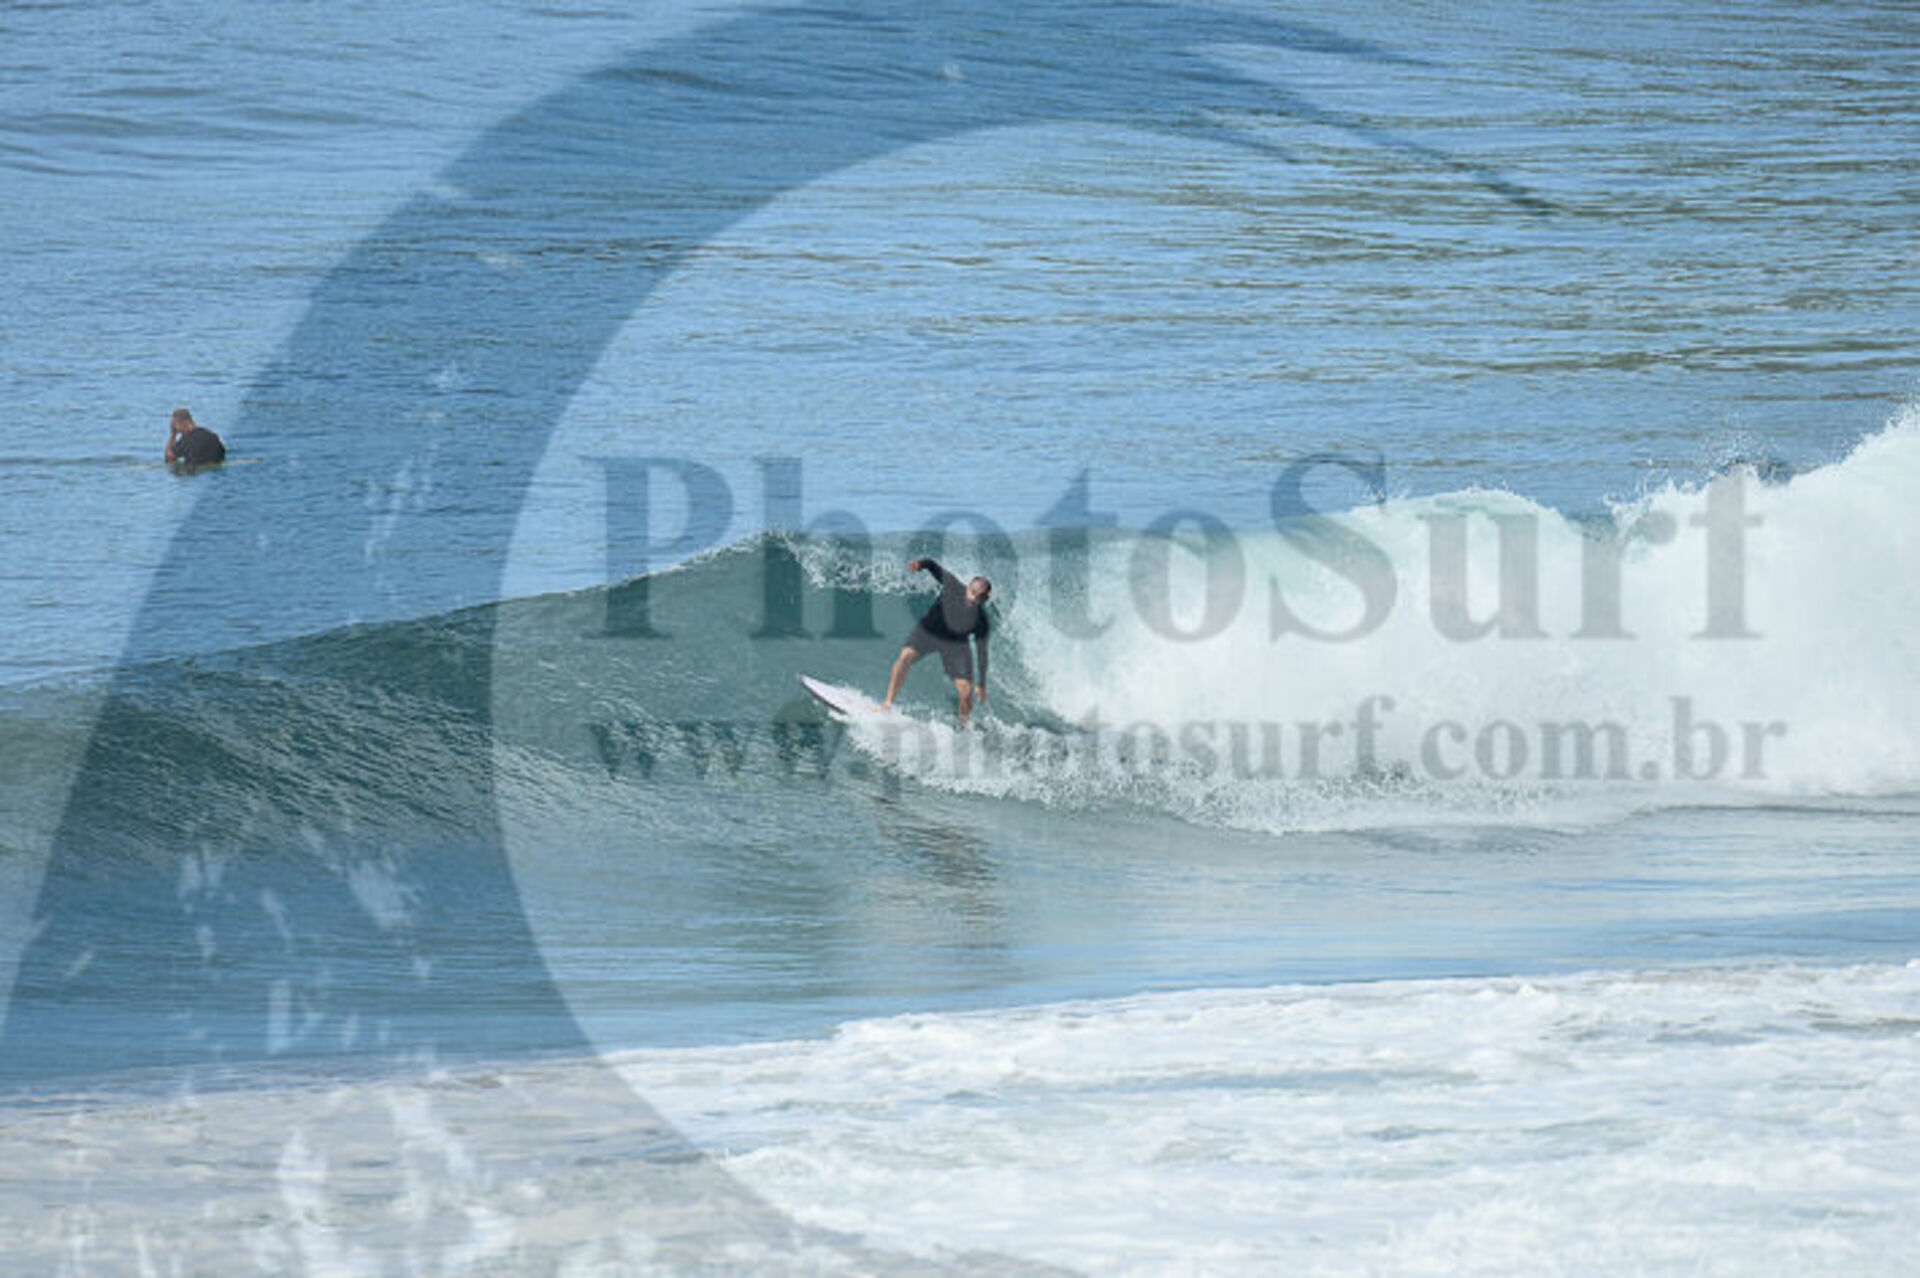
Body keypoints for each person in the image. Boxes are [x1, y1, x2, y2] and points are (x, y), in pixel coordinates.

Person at [883, 558, 993, 724]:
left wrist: (982, 683)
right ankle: (887, 703)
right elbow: (932, 565)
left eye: (979, 597)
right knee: (905, 657)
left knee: (966, 691)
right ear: (968, 587)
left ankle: (963, 729)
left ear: (984, 599)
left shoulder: (981, 620)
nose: (973, 599)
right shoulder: (954, 586)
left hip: (955, 645)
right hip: (929, 632)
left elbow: (982, 652)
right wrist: (920, 565)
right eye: (972, 592)